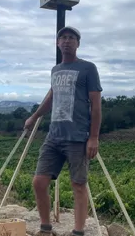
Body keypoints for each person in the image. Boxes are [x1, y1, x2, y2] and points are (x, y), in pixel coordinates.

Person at [24, 26, 103, 236]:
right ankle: (45, 227)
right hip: (54, 136)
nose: (67, 41)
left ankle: (78, 231)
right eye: (63, 38)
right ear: (58, 44)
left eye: (71, 38)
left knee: (78, 185)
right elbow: (51, 96)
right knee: (39, 182)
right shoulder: (55, 70)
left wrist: (94, 137)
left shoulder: (88, 68)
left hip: (77, 137)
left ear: (78, 43)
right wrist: (34, 116)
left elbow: (96, 104)